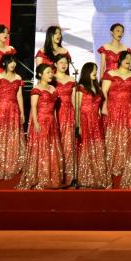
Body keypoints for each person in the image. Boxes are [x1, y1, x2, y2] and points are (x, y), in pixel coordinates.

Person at [17, 64, 63, 190]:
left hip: (51, 121)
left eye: (51, 72)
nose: (51, 74)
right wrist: (36, 123)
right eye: (48, 72)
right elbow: (33, 107)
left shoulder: (53, 88)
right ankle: (39, 176)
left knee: (51, 148)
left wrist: (56, 121)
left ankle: (50, 177)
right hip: (41, 120)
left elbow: (54, 108)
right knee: (41, 147)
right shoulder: (36, 89)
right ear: (40, 74)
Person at [101, 50, 131, 179]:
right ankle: (111, 164)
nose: (128, 60)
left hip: (128, 109)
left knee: (127, 136)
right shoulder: (110, 73)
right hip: (113, 108)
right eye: (126, 58)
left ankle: (125, 165)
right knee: (112, 135)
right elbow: (104, 91)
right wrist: (104, 106)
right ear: (120, 60)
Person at [74, 62, 110, 189]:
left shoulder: (97, 87)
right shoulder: (81, 87)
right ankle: (86, 177)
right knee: (86, 147)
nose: (95, 72)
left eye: (96, 70)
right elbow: (77, 108)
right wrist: (78, 125)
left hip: (96, 121)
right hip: (85, 120)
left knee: (97, 147)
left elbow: (99, 106)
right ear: (87, 72)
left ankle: (98, 177)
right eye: (93, 70)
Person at [52, 55, 77, 187]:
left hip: (68, 113)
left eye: (66, 63)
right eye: (61, 62)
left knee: (68, 143)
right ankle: (56, 175)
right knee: (56, 143)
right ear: (55, 64)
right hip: (55, 112)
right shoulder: (51, 78)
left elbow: (74, 100)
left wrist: (76, 116)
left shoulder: (72, 79)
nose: (64, 65)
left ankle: (69, 176)